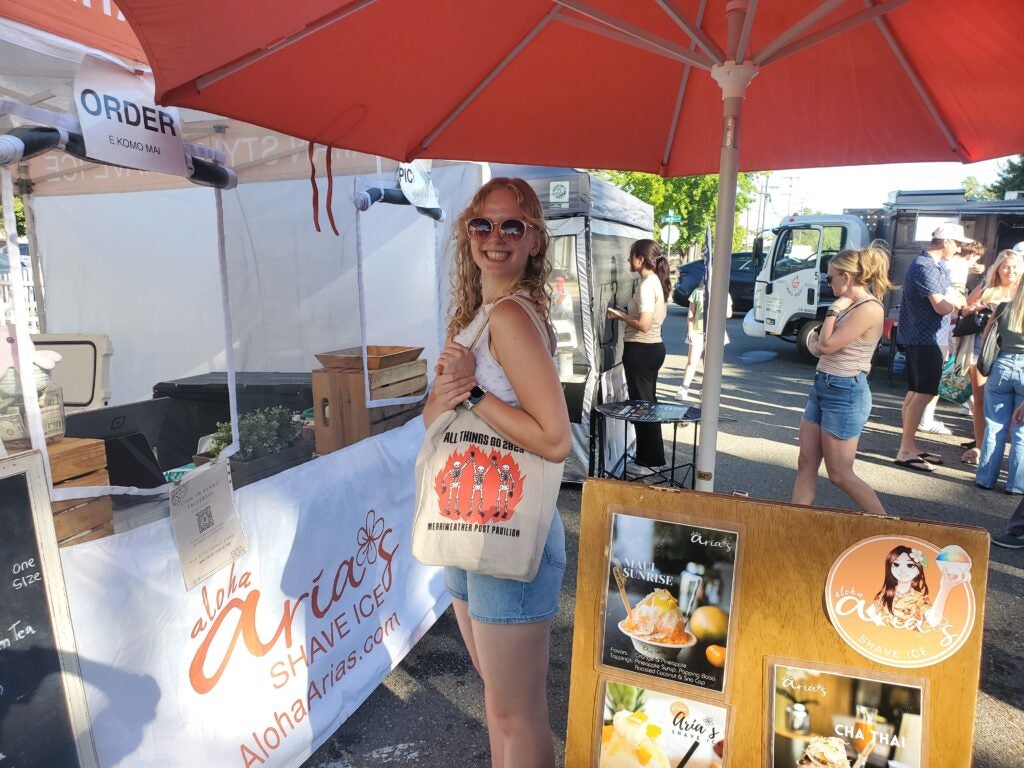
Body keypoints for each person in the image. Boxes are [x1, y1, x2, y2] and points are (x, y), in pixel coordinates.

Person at [424, 177, 571, 768]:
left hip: (507, 530)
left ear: (535, 240)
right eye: (483, 224)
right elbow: (435, 418)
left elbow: (555, 439)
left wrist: (475, 391)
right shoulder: (480, 316)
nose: (495, 238)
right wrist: (455, 387)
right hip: (469, 525)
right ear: (467, 234)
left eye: (514, 226)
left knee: (517, 716)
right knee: (498, 709)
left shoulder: (509, 315)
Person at [791, 247, 892, 515]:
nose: (828, 283)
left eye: (830, 277)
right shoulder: (850, 306)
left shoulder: (868, 308)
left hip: (845, 391)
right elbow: (815, 345)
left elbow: (824, 345)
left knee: (839, 473)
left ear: (845, 278)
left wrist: (833, 312)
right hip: (823, 385)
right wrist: (822, 338)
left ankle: (886, 523)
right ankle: (792, 524)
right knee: (806, 462)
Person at [893, 223, 970, 471]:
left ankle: (909, 446)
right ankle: (906, 449)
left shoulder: (932, 265)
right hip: (925, 339)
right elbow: (940, 306)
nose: (959, 249)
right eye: (957, 244)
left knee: (916, 391)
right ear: (946, 241)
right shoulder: (925, 266)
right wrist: (956, 301)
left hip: (924, 337)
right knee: (923, 392)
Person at [955, 248, 1023, 465]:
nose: (1010, 270)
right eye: (1005, 266)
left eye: (1014, 266)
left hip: (1014, 354)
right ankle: (980, 446)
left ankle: (1009, 454)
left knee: (1012, 406)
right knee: (981, 400)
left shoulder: (1021, 292)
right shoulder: (987, 289)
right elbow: (963, 311)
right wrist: (972, 309)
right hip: (983, 351)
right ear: (998, 269)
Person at [607, 239, 671, 468]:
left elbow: (643, 324)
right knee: (648, 405)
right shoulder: (655, 281)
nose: (628, 260)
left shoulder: (646, 285)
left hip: (641, 349)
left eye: (631, 255)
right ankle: (650, 456)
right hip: (653, 348)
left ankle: (649, 460)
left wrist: (618, 316)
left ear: (641, 258)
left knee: (643, 407)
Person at [975, 267, 1024, 495]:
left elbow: (987, 336)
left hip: (1002, 365)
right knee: (1021, 430)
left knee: (994, 425)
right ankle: (1016, 484)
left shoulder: (1005, 307)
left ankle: (985, 478)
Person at [867, 545, 967, 630]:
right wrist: (880, 625)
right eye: (896, 564)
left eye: (910, 566)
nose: (902, 571)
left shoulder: (919, 598)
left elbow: (934, 621)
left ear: (918, 570)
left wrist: (944, 589)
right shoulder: (886, 593)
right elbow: (870, 612)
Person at [674, 279, 731, 402]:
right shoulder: (698, 292)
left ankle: (706, 390)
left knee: (710, 364)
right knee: (692, 361)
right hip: (697, 331)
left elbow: (728, 313)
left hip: (715, 332)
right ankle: (684, 388)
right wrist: (689, 330)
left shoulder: (723, 293)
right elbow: (691, 313)